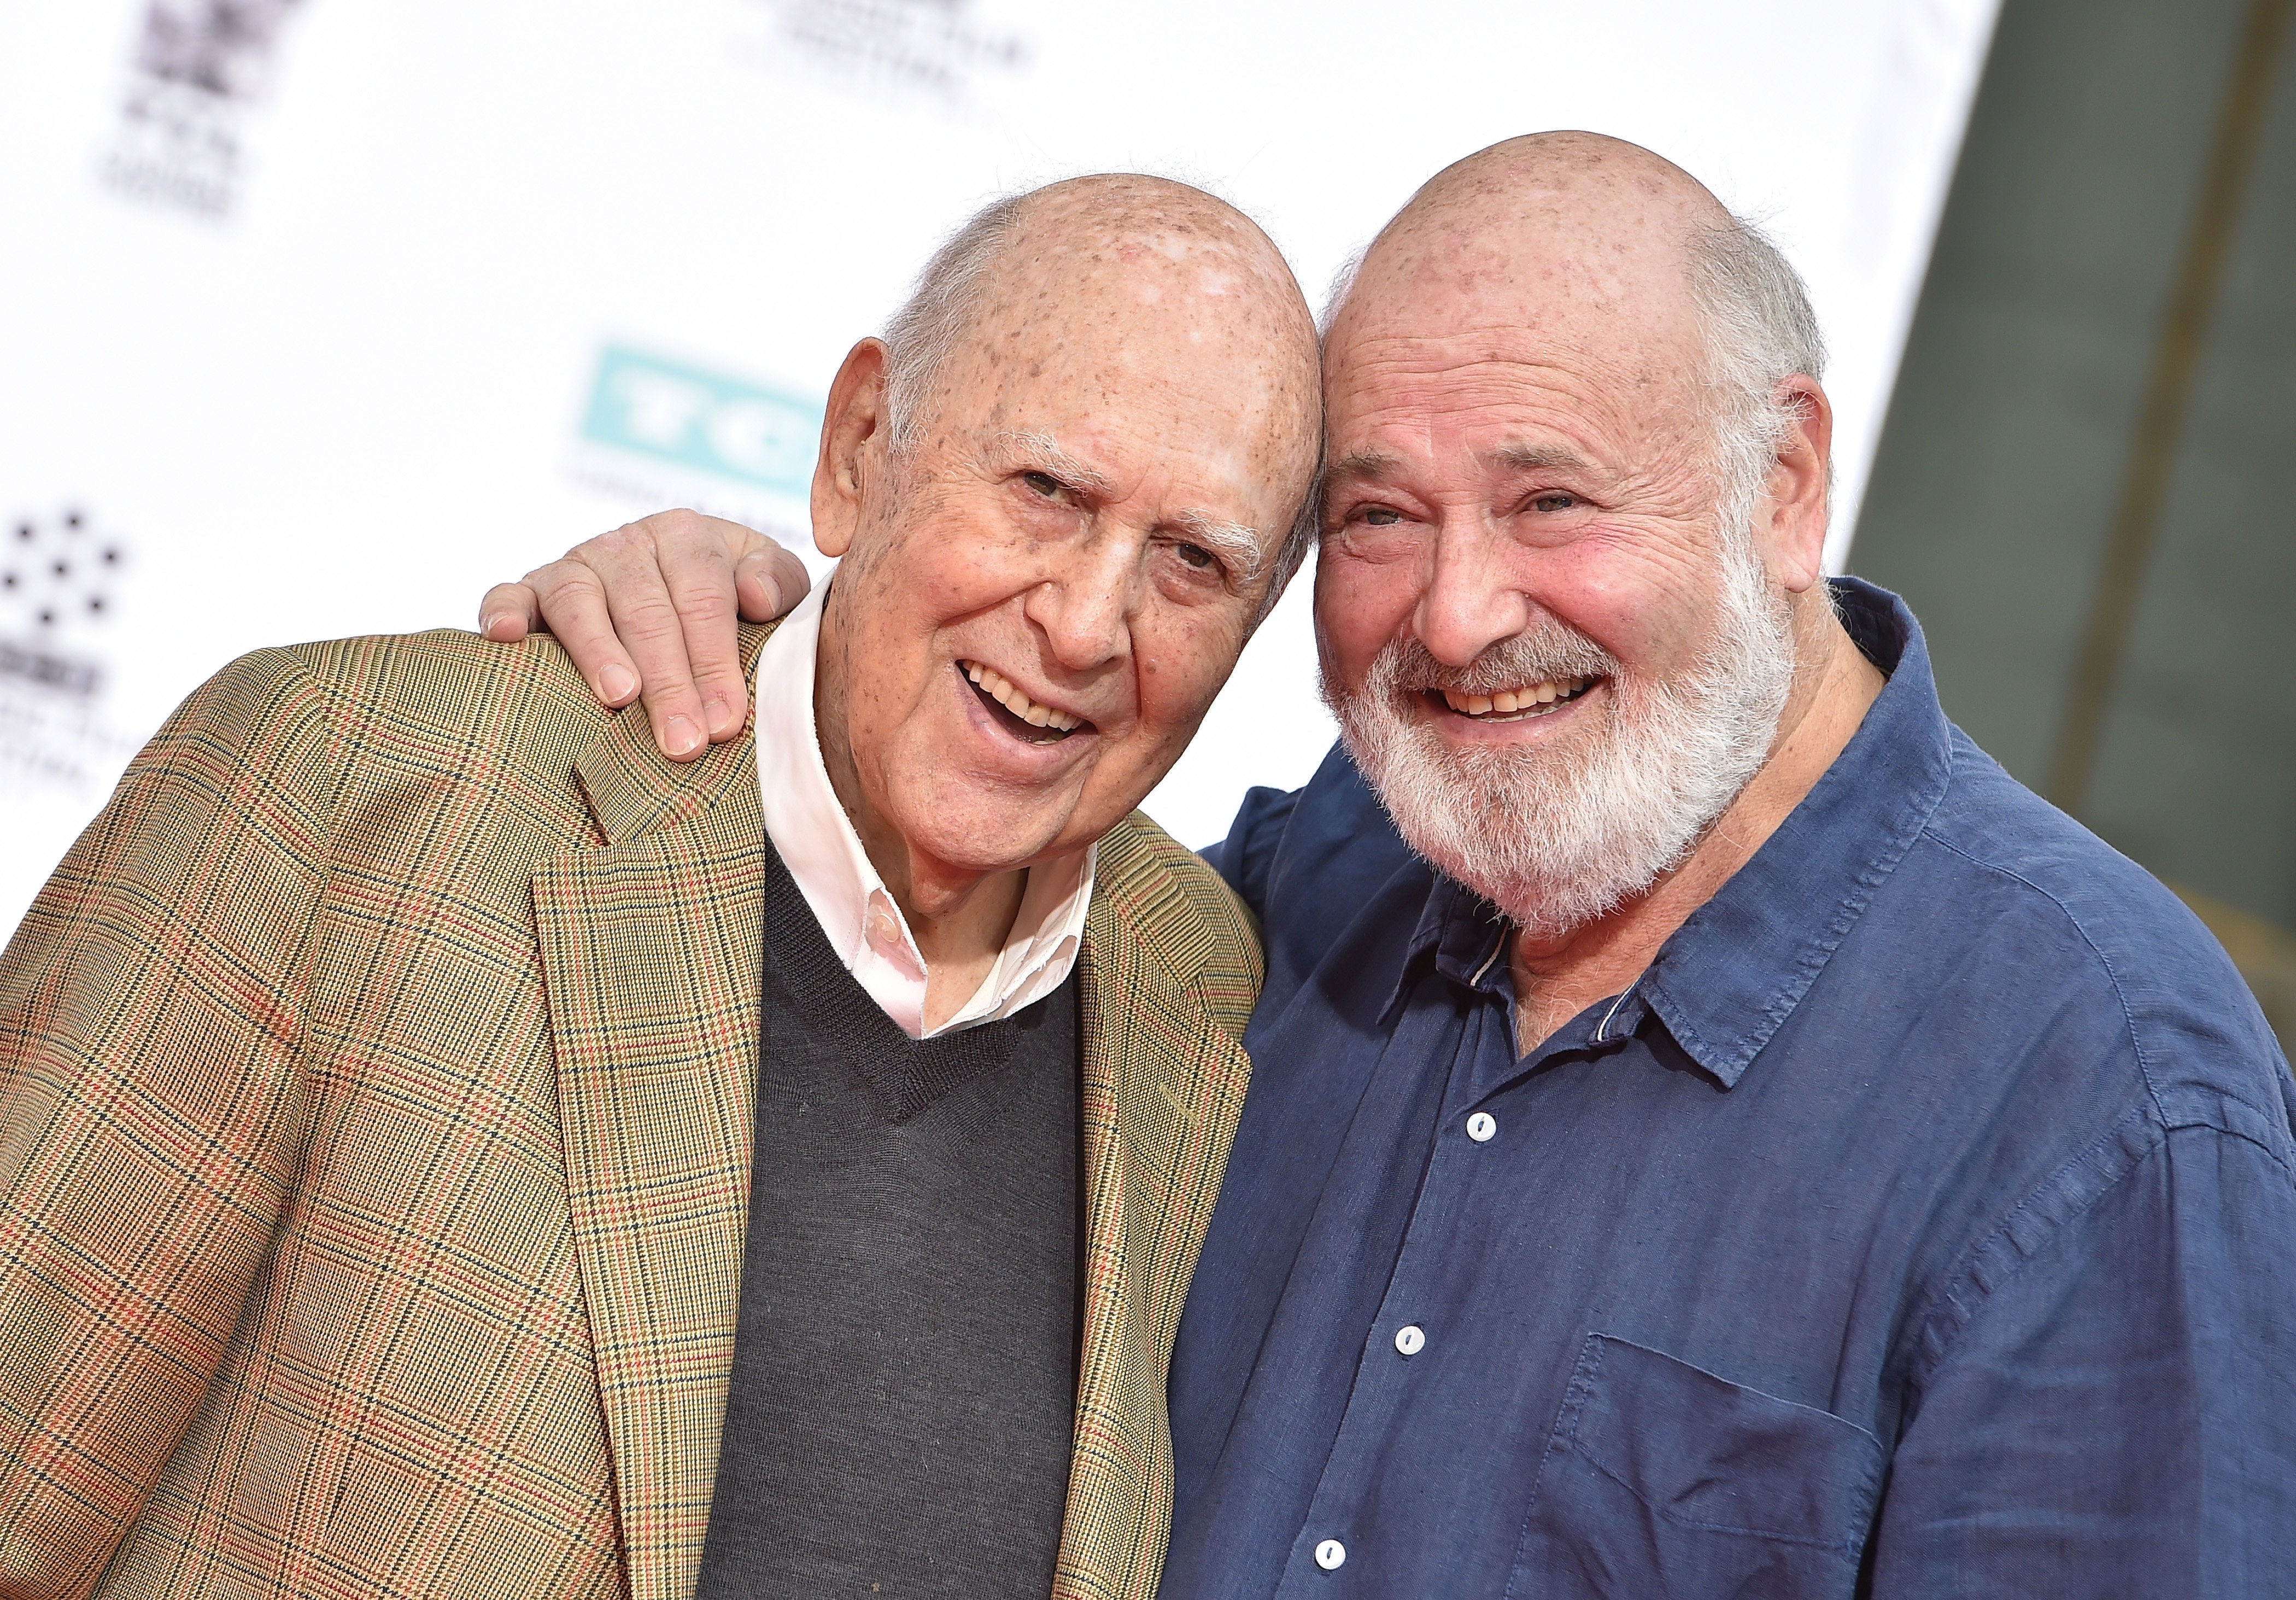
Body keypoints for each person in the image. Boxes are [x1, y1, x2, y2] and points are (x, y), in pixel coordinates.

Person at [494, 132, 2296, 1597]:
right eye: (1375, 516)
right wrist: (730, 643)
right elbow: (898, 964)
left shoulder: (2108, 1101)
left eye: (1553, 499)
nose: (1456, 613)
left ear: (1786, 481)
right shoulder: (1312, 886)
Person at [0, 174, 1321, 1600]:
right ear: (860, 447)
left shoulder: (1205, 989)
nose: (1083, 624)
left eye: (1192, 561)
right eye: (1047, 493)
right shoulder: (349, 786)